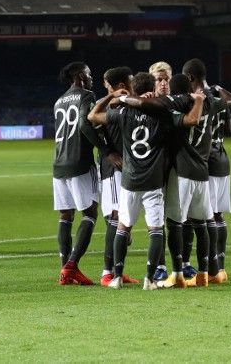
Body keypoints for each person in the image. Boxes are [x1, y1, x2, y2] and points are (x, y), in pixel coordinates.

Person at [88, 72, 203, 290]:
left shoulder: (123, 113)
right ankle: (149, 279)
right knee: (156, 229)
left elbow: (93, 116)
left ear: (133, 90)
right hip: (153, 181)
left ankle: (117, 277)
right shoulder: (163, 115)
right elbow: (191, 120)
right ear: (152, 89)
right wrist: (198, 101)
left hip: (129, 181)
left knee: (123, 226)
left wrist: (111, 96)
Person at [52, 62, 108, 286]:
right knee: (90, 214)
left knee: (66, 216)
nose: (91, 77)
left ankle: (64, 269)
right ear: (79, 76)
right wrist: (104, 149)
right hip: (79, 162)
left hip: (59, 163)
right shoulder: (86, 95)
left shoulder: (58, 101)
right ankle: (72, 266)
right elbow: (86, 125)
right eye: (89, 73)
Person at [158, 72, 215, 288]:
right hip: (202, 171)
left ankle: (177, 275)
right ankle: (203, 275)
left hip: (182, 171)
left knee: (174, 224)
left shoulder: (176, 106)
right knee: (201, 225)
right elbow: (223, 99)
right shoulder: (208, 104)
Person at [185, 58, 231, 282]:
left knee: (203, 217)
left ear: (190, 78)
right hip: (222, 158)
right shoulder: (218, 98)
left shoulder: (196, 100)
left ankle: (211, 269)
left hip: (206, 160)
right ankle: (220, 267)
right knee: (217, 215)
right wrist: (217, 88)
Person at [94, 67, 136, 286]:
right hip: (113, 170)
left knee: (124, 221)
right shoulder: (110, 104)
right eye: (130, 82)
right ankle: (107, 273)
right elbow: (88, 123)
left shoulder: (125, 103)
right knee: (116, 217)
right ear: (121, 85)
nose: (133, 85)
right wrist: (106, 152)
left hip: (127, 169)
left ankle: (118, 270)